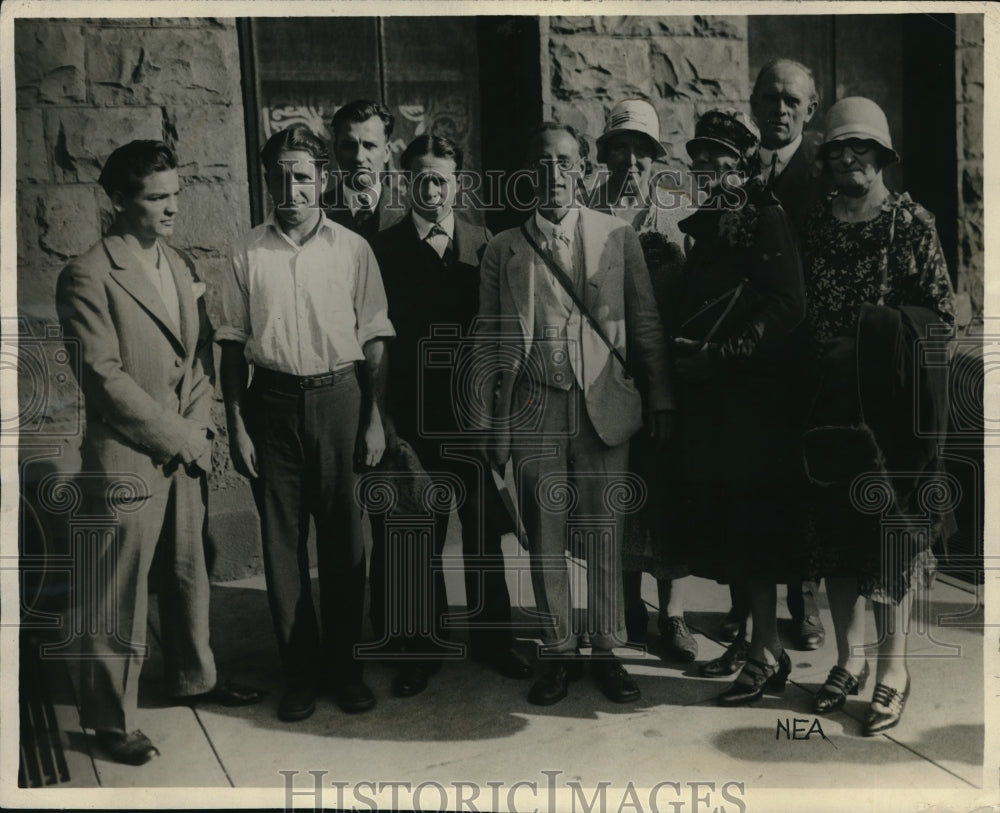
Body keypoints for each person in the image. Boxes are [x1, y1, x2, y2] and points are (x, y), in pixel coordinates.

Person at [55, 140, 263, 766]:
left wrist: (199, 428)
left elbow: (194, 363)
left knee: (187, 570)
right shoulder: (88, 273)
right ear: (119, 200)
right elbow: (104, 377)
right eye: (155, 197)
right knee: (118, 590)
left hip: (182, 449)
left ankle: (194, 678)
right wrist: (178, 436)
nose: (171, 208)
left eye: (176, 194)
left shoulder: (174, 262)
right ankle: (111, 721)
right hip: (126, 455)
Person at [478, 123, 673, 706]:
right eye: (542, 162)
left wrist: (661, 395)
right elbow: (488, 343)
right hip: (535, 404)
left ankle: (608, 647)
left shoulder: (617, 237)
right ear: (527, 172)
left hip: (603, 404)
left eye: (565, 163)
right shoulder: (502, 249)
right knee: (546, 534)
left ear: (584, 171)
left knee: (604, 531)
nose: (553, 174)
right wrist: (495, 425)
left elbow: (643, 325)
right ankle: (559, 649)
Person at [216, 125, 394, 722]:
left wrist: (373, 422)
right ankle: (300, 672)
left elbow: (373, 344)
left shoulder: (352, 250)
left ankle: (344, 670)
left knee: (345, 541)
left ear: (322, 179)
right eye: (278, 176)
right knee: (282, 545)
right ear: (266, 181)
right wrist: (236, 426)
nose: (289, 187)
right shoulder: (246, 253)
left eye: (301, 176)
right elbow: (233, 349)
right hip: (271, 406)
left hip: (340, 399)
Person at [800, 97, 955, 734]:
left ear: (882, 153)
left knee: (890, 537)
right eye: (835, 148)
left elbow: (941, 317)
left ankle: (893, 667)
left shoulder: (909, 221)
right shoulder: (817, 222)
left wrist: (872, 337)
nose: (846, 158)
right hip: (829, 404)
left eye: (858, 147)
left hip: (889, 412)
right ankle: (849, 658)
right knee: (835, 536)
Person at [368, 134, 533, 696]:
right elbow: (377, 341)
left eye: (441, 178)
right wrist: (383, 419)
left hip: (471, 416)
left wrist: (496, 415)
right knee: (416, 531)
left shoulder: (484, 244)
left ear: (458, 183)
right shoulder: (384, 250)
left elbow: (499, 333)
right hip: (412, 415)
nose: (431, 188)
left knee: (485, 530)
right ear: (405, 181)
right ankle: (421, 645)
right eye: (421, 177)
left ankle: (494, 638)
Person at [667, 110, 807, 706]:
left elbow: (787, 304)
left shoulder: (764, 215)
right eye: (700, 160)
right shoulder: (718, 218)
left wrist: (721, 355)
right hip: (718, 399)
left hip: (755, 399)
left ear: (742, 163)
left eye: (721, 160)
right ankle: (754, 643)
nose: (708, 169)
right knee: (733, 525)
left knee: (754, 527)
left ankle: (766, 652)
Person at [590, 99, 696, 662]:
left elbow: (697, 290)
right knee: (617, 493)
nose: (632, 163)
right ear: (604, 153)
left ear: (657, 160)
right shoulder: (585, 210)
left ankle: (673, 612)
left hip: (668, 374)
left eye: (643, 152)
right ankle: (627, 604)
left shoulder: (679, 212)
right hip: (605, 372)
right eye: (621, 149)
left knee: (668, 490)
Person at [325, 99, 405, 240]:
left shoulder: (410, 213)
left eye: (369, 145)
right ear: (335, 150)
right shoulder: (314, 213)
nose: (359, 157)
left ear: (386, 152)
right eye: (349, 146)